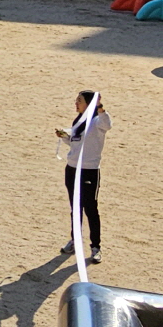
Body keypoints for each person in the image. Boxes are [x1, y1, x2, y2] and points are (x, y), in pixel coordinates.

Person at [55, 91, 111, 265]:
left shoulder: (98, 121)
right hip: (72, 169)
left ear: (89, 103)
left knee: (90, 209)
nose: (76, 103)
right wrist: (65, 137)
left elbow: (107, 124)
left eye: (79, 100)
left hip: (89, 171)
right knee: (75, 208)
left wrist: (99, 106)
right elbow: (76, 142)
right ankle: (75, 241)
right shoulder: (78, 121)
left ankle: (96, 247)